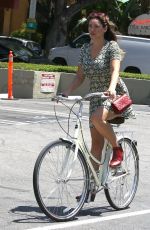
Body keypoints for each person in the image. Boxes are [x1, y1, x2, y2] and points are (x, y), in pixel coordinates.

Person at [62, 12, 135, 172]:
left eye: (96, 26)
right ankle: (92, 186)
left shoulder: (111, 47)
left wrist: (111, 88)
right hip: (95, 98)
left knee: (97, 118)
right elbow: (80, 76)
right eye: (90, 26)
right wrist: (65, 92)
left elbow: (115, 70)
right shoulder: (85, 49)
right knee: (96, 145)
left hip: (115, 96)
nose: (92, 30)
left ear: (104, 28)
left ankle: (117, 149)